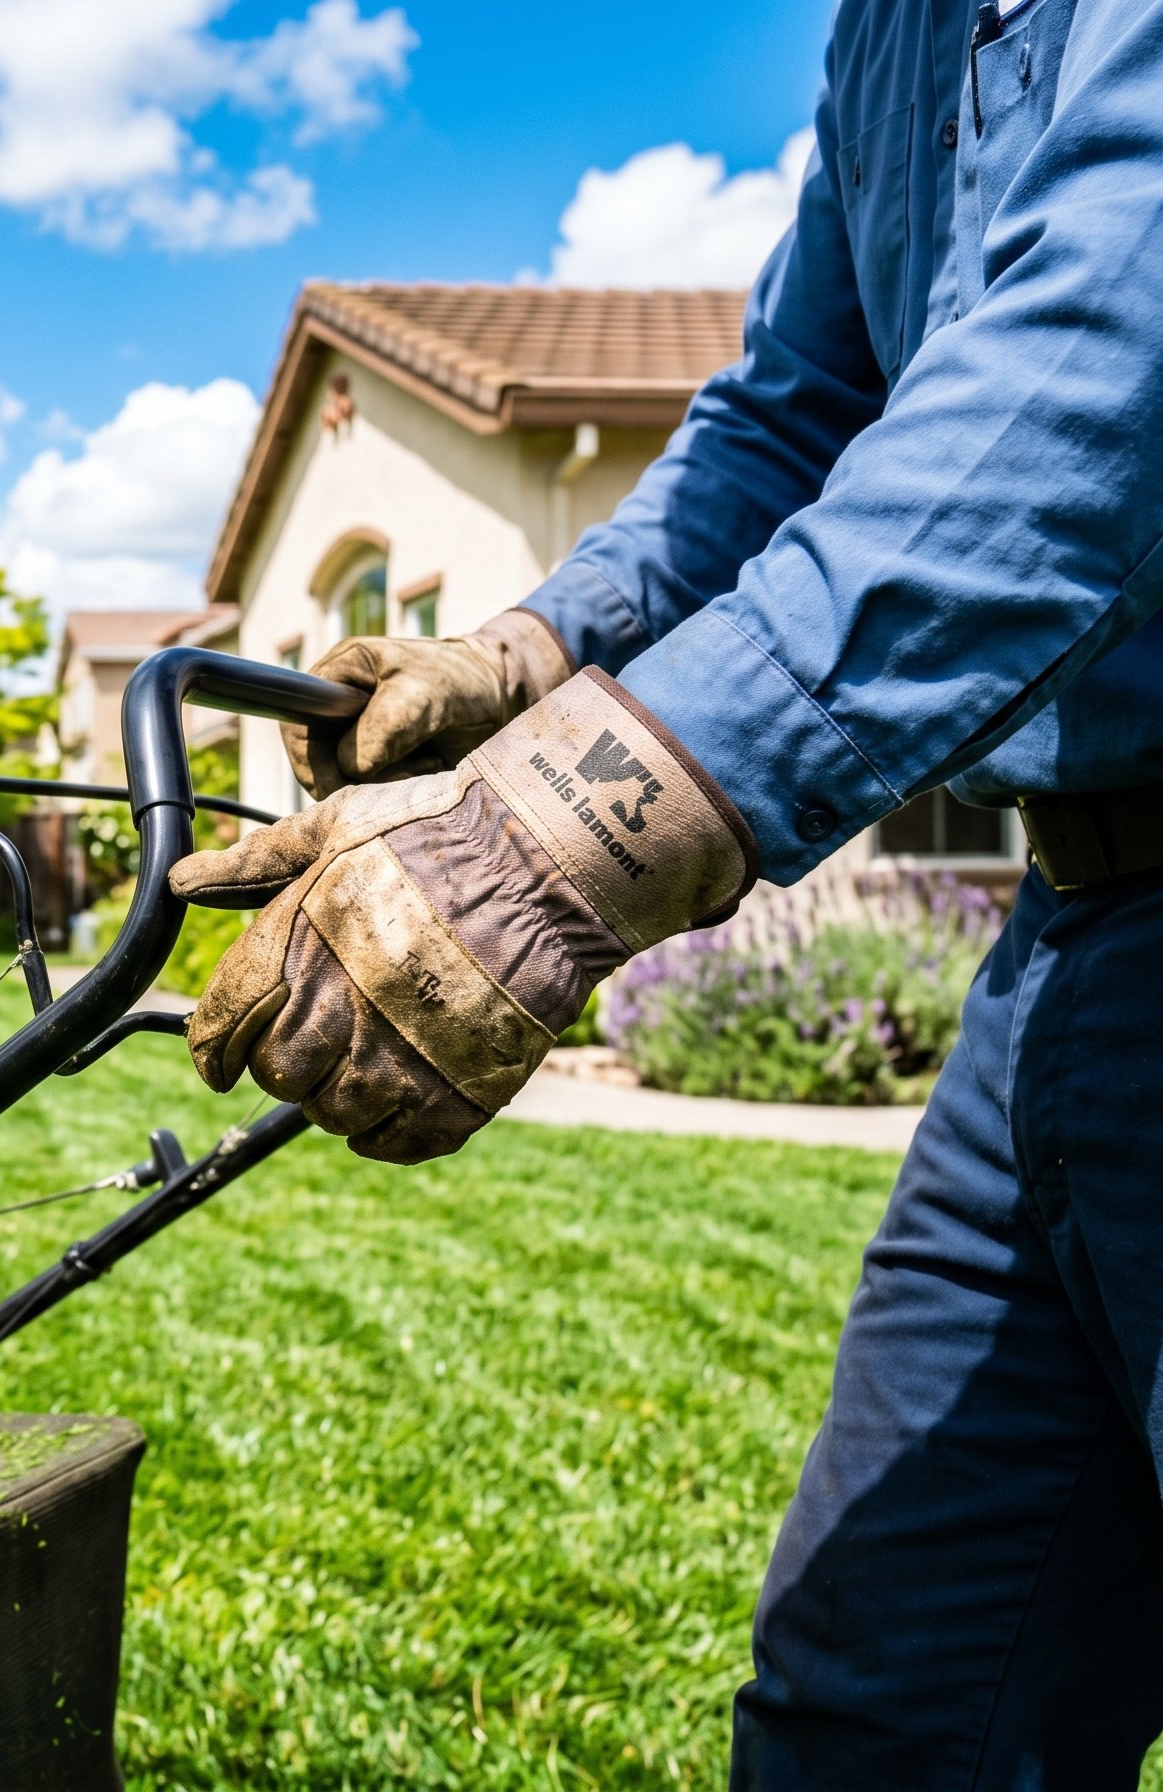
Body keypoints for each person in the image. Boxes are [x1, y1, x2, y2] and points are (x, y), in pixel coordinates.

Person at [170, 0, 1163, 1782]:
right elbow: (796, 422)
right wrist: (525, 654)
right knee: (882, 1713)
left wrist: (557, 836)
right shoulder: (900, 34)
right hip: (1070, 960)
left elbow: (1107, 374)